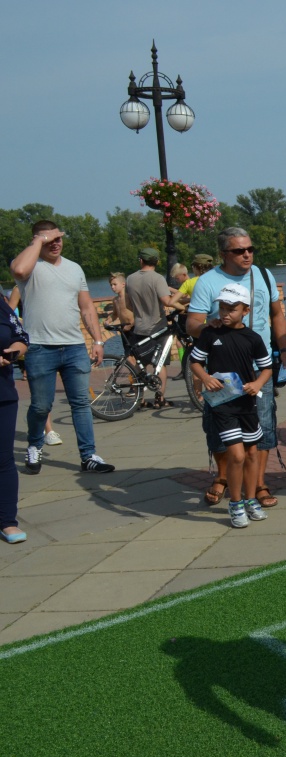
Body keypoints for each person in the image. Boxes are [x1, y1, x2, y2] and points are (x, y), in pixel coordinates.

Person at [188, 228, 286, 509]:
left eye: (250, 249)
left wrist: (283, 348)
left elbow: (276, 314)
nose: (247, 254)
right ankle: (222, 477)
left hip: (258, 366)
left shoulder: (262, 275)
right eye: (239, 250)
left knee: (264, 426)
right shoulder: (207, 282)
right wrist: (208, 326)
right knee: (219, 425)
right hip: (223, 368)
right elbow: (192, 323)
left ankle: (258, 484)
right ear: (224, 254)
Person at [11, 220, 115, 474]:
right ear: (37, 240)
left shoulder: (74, 269)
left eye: (59, 238)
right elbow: (18, 270)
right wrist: (39, 241)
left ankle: (88, 455)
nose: (56, 243)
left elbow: (87, 306)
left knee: (80, 402)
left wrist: (98, 340)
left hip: (74, 347)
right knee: (40, 405)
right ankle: (35, 446)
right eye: (49, 240)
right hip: (39, 348)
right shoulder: (31, 266)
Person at [190, 284, 274, 528]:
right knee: (236, 454)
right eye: (222, 308)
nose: (225, 313)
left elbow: (267, 368)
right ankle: (235, 503)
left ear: (246, 310)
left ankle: (250, 500)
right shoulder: (210, 333)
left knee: (251, 453)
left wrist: (257, 383)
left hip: (247, 405)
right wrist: (205, 378)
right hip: (223, 405)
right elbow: (195, 362)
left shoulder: (253, 338)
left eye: (232, 308)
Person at [124, 247, 175, 407]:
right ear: (157, 262)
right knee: (160, 364)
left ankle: (141, 399)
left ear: (141, 260)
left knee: (141, 363)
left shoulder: (130, 279)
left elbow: (127, 304)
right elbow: (167, 301)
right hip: (158, 327)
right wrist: (182, 304)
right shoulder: (157, 278)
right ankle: (160, 397)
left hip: (139, 328)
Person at [0, 300, 29, 542]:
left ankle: (7, 521)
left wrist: (14, 351)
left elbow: (21, 337)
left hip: (3, 395)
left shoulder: (1, 305)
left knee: (4, 459)